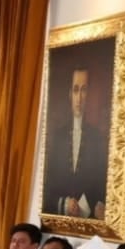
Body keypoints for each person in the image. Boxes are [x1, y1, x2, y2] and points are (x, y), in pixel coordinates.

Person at [43, 67, 108, 219]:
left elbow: (101, 184)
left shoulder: (97, 137)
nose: (79, 98)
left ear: (89, 95)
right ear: (70, 95)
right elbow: (49, 186)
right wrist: (65, 204)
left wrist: (85, 206)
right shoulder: (58, 136)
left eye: (84, 90)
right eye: (75, 90)